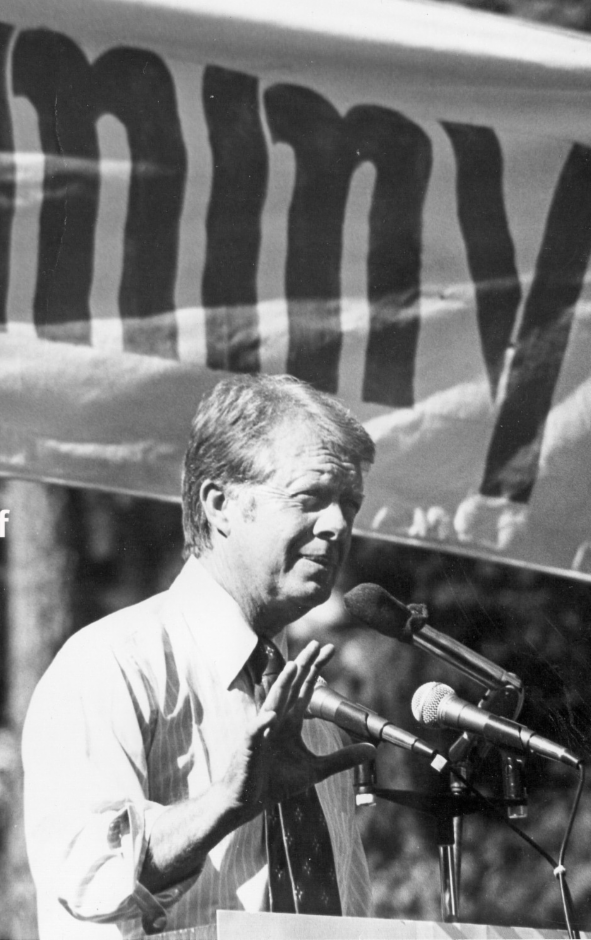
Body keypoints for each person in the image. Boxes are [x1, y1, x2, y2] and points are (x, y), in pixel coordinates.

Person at [22, 374, 378, 938]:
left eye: (349, 505)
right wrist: (224, 805)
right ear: (220, 504)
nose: (338, 525)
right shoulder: (112, 664)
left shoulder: (313, 708)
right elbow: (87, 876)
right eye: (311, 498)